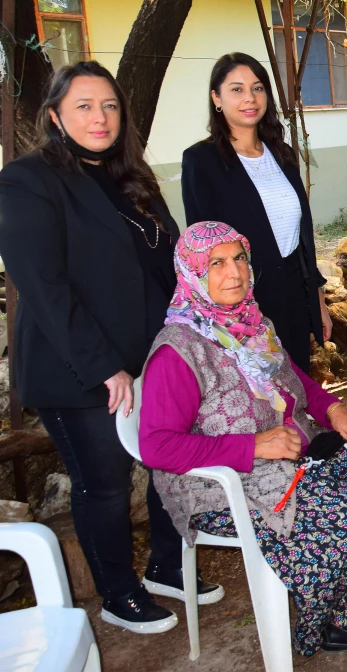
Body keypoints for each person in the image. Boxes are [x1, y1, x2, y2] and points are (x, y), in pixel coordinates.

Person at [0, 61, 222, 633]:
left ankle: (168, 567)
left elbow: (167, 267)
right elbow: (44, 288)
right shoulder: (28, 180)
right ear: (54, 115)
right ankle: (118, 594)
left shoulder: (132, 176)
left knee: (171, 459)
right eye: (83, 106)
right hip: (76, 367)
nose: (99, 117)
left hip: (152, 357)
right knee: (104, 481)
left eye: (109, 106)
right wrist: (106, 369)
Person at [139, 221, 347, 657]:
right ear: (193, 272)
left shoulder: (252, 322)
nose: (234, 273)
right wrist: (251, 446)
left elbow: (296, 381)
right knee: (346, 521)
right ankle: (320, 625)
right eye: (216, 264)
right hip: (224, 485)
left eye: (239, 259)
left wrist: (333, 408)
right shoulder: (178, 351)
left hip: (292, 459)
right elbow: (157, 447)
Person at [182, 52, 329, 372]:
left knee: (298, 390)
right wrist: (227, 316)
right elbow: (204, 249)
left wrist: (316, 298)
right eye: (236, 89)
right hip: (243, 302)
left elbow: (300, 237)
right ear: (216, 98)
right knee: (261, 402)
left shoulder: (283, 154)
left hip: (292, 296)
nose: (249, 98)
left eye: (258, 87)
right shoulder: (201, 161)